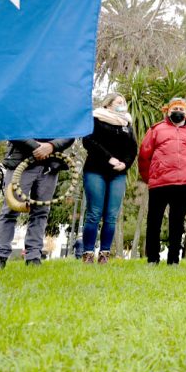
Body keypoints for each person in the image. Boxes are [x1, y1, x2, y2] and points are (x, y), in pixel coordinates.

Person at [0, 136, 75, 269]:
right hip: (20, 161)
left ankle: (34, 257)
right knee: (10, 210)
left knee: (41, 212)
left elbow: (70, 132)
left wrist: (51, 146)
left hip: (50, 165)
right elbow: (13, 128)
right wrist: (38, 148)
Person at [138, 97, 186, 265]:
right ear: (167, 111)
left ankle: (173, 260)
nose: (178, 111)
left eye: (181, 109)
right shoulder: (156, 129)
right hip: (159, 183)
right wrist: (149, 177)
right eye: (175, 109)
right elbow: (144, 155)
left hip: (183, 184)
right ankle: (152, 258)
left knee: (177, 223)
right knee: (154, 221)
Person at [80, 93, 137, 264]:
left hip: (118, 174)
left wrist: (124, 164)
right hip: (96, 170)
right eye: (119, 102)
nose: (122, 105)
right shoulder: (96, 119)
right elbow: (88, 141)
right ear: (108, 105)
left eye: (124, 103)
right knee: (94, 213)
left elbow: (133, 149)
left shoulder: (127, 124)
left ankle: (104, 254)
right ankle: (88, 253)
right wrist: (109, 158)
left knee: (112, 215)